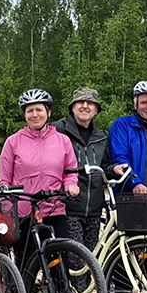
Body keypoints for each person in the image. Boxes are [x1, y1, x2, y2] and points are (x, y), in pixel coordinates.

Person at [0, 88, 80, 272]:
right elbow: (4, 181)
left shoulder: (62, 141)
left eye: (39, 110)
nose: (34, 114)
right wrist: (8, 211)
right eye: (30, 111)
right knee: (25, 267)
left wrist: (71, 185)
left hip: (54, 209)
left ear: (48, 112)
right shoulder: (13, 142)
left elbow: (70, 172)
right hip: (24, 214)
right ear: (24, 115)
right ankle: (22, 291)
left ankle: (59, 292)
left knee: (59, 266)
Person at [53, 87, 118, 250]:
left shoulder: (100, 137)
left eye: (90, 103)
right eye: (80, 102)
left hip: (94, 209)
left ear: (96, 110)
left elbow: (102, 168)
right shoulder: (57, 131)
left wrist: (114, 170)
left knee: (90, 258)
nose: (85, 106)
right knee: (75, 257)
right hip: (67, 207)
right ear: (72, 107)